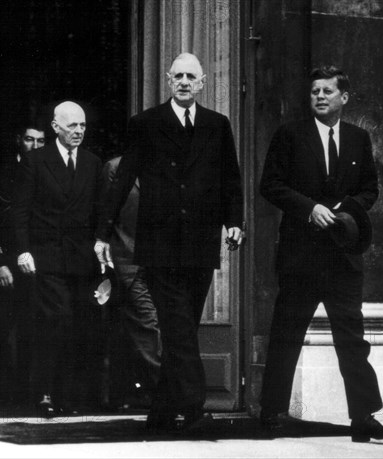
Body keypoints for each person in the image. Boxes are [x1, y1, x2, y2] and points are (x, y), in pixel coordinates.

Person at [95, 53, 243, 432]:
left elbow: (231, 178)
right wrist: (102, 233)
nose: (183, 81)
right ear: (167, 80)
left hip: (200, 243)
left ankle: (161, 408)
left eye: (190, 76)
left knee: (184, 326)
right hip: (159, 245)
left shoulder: (217, 124)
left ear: (203, 82)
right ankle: (193, 409)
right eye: (177, 75)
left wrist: (234, 223)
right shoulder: (145, 124)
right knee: (177, 324)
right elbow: (124, 177)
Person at [258, 65, 383, 443]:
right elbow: (269, 185)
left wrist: (345, 208)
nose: (319, 96)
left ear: (344, 98)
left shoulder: (358, 138)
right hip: (300, 255)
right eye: (314, 91)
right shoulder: (290, 136)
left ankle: (364, 418)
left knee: (352, 337)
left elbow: (371, 189)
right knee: (286, 334)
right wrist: (309, 208)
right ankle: (270, 413)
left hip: (343, 256)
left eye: (327, 91)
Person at [11, 101, 103, 417]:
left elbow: (97, 213)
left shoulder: (92, 163)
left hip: (80, 260)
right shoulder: (36, 161)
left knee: (77, 325)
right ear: (55, 127)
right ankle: (45, 393)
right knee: (54, 321)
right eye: (71, 126)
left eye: (82, 126)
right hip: (47, 257)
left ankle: (66, 395)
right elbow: (20, 210)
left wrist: (101, 251)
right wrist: (23, 250)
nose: (78, 131)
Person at [0, 121, 46, 403]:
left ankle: (29, 394)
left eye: (41, 141)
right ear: (20, 140)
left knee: (35, 328)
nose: (35, 146)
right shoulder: (0, 175)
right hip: (6, 262)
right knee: (0, 328)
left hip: (37, 262)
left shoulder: (50, 171)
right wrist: (0, 263)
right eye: (30, 140)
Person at [101, 155, 161, 407]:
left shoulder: (164, 166)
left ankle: (147, 394)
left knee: (149, 327)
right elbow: (104, 214)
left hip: (159, 263)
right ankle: (170, 396)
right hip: (127, 260)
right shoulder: (115, 168)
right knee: (148, 324)